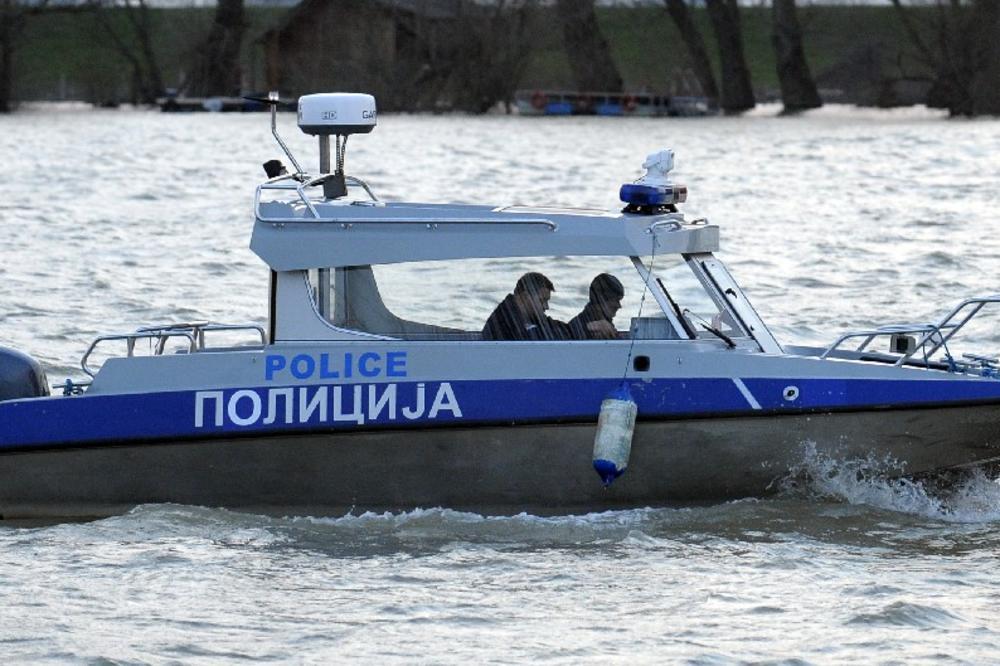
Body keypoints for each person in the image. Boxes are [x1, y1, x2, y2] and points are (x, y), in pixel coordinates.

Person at [482, 272, 571, 341]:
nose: (546, 307)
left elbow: (550, 326)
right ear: (524, 297)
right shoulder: (504, 320)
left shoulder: (529, 318)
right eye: (542, 300)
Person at [569, 273, 624, 340]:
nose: (619, 306)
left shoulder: (606, 324)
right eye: (616, 300)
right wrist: (588, 328)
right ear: (600, 300)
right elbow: (567, 335)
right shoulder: (577, 327)